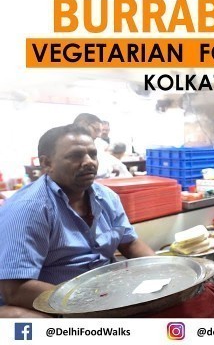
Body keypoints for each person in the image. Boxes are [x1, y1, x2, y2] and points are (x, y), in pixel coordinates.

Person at [0, 124, 156, 317]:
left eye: (93, 154)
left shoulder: (106, 197)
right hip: (55, 303)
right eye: (76, 156)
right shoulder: (29, 208)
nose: (89, 162)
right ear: (46, 163)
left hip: (110, 292)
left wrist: (161, 271)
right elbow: (15, 289)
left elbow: (130, 242)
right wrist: (90, 303)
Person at [73, 114, 130, 178]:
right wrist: (110, 169)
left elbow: (114, 162)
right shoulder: (72, 144)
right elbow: (95, 172)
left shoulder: (98, 143)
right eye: (96, 130)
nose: (99, 135)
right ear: (82, 125)